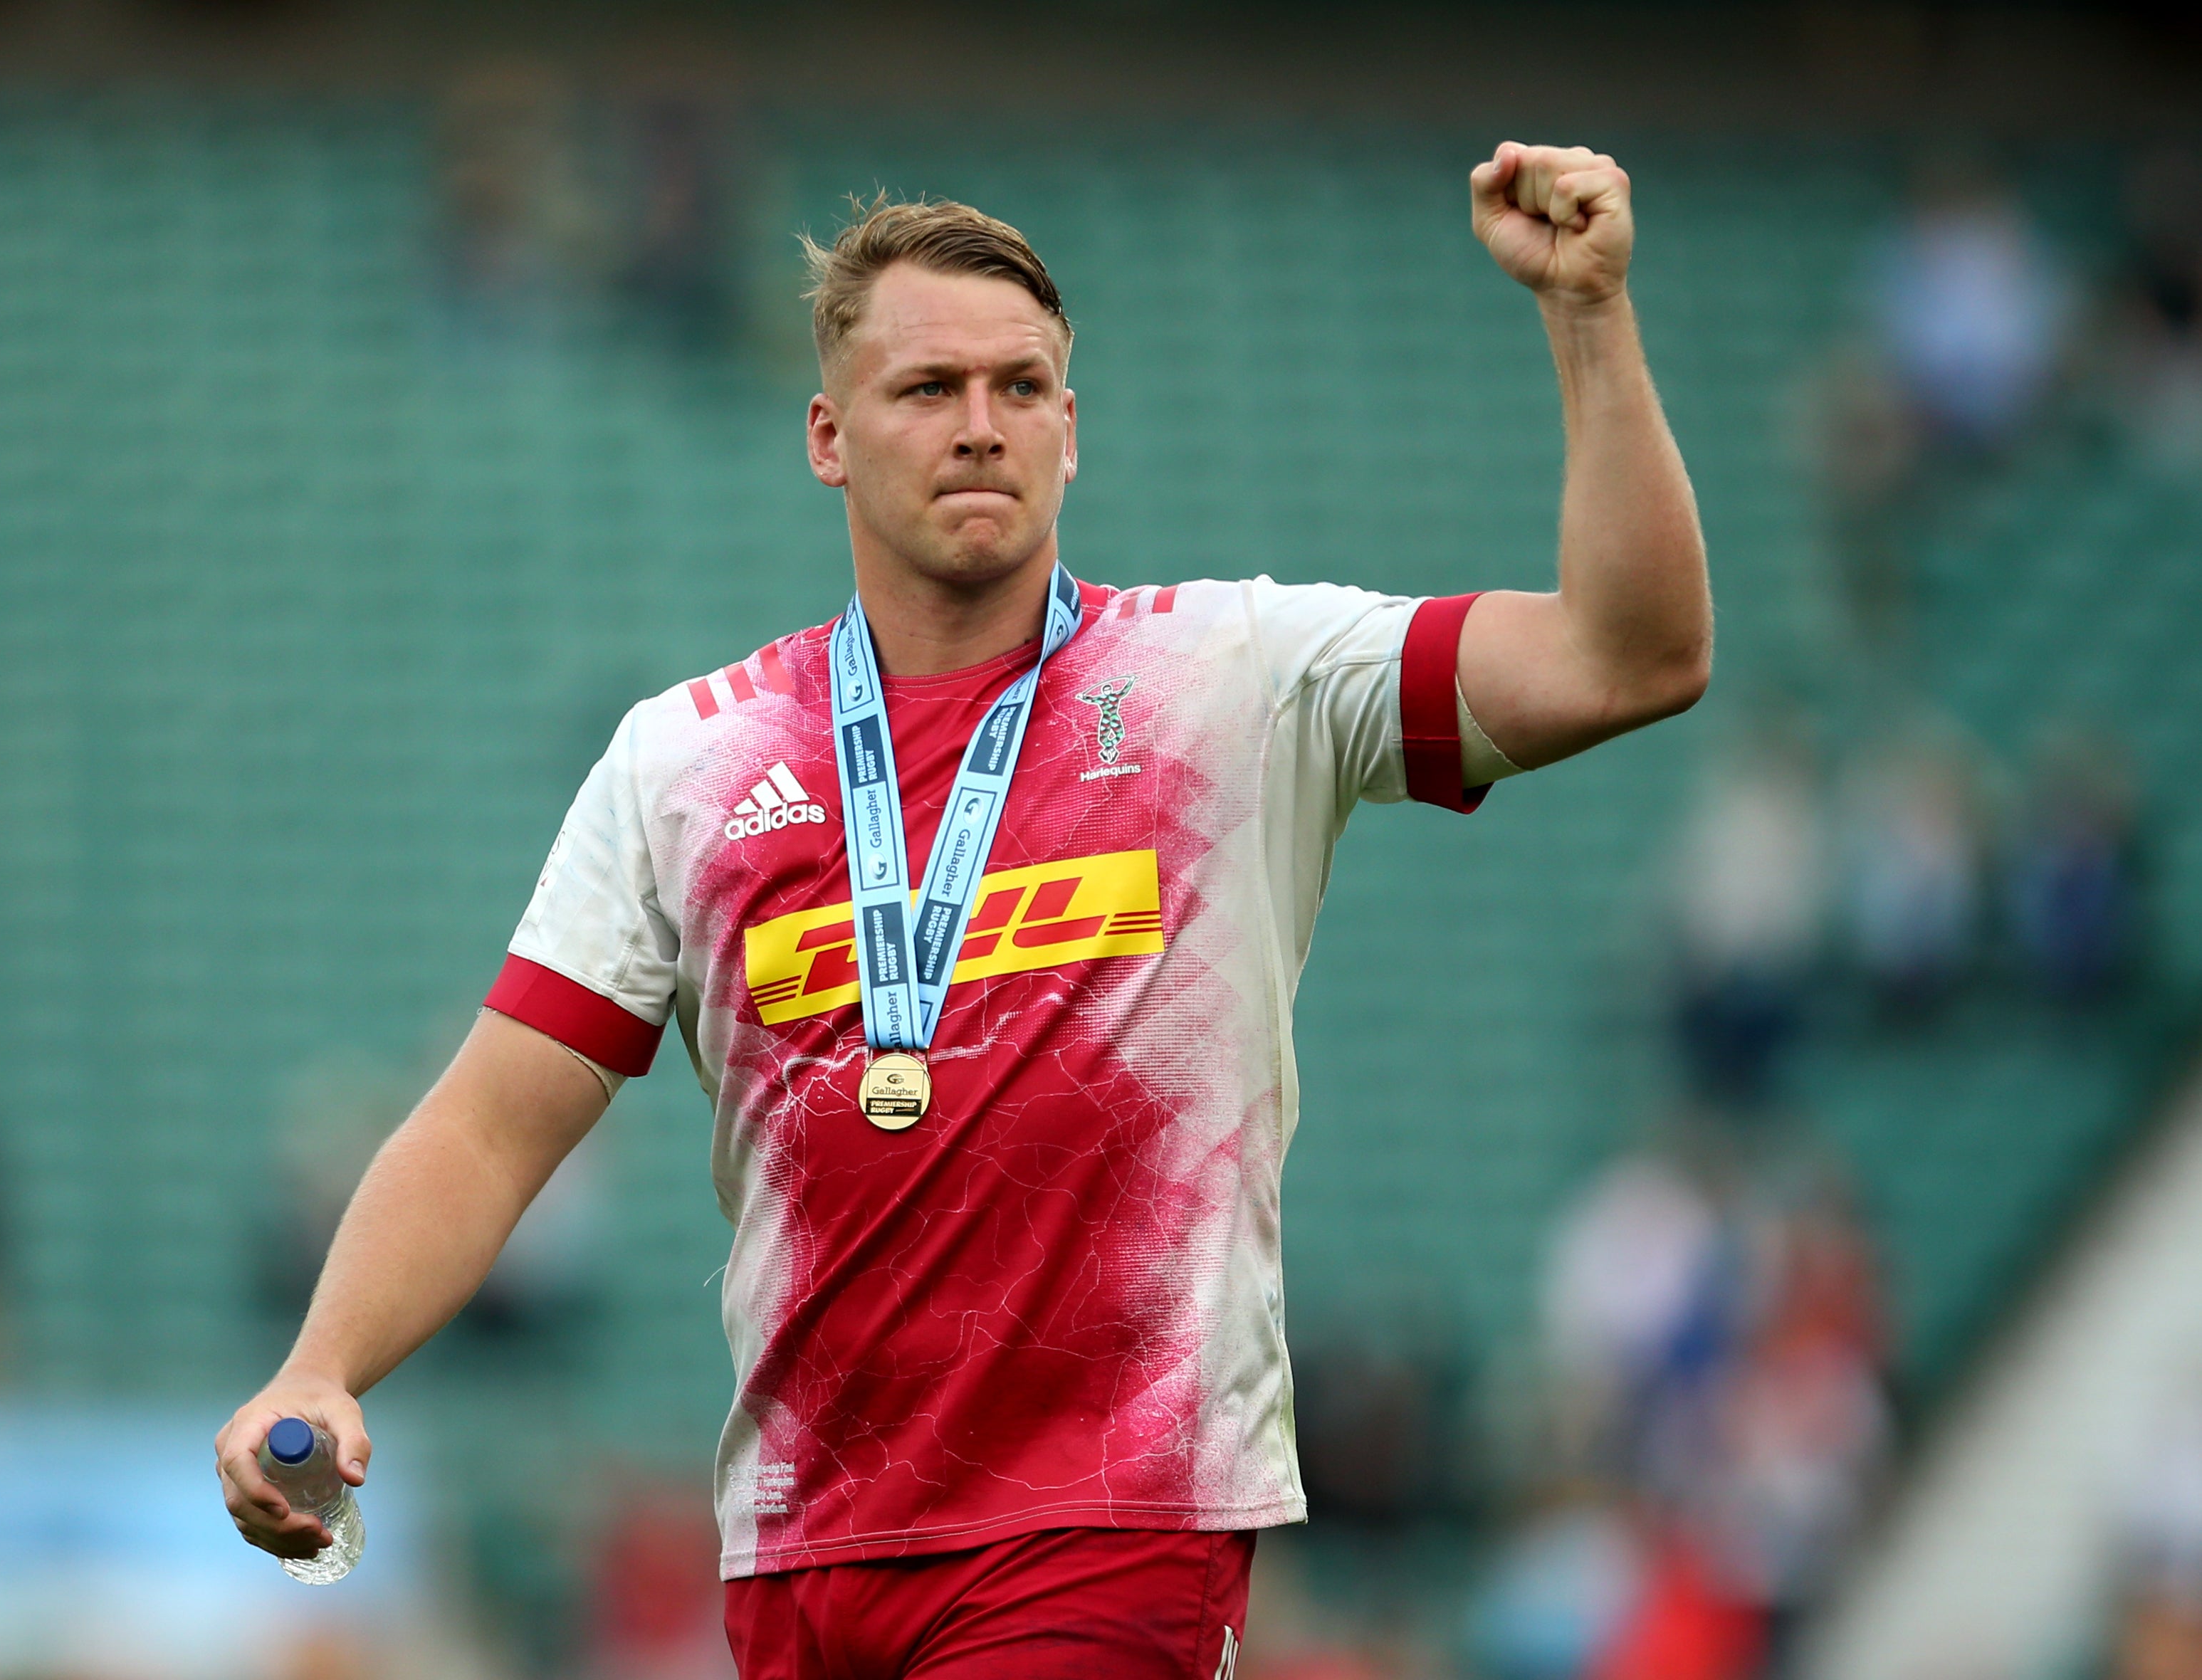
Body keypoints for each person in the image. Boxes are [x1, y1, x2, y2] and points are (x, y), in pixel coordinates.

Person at [216, 143, 1711, 1676]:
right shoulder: (694, 758)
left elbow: (1630, 656)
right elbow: (491, 1121)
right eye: (928, 389)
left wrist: (1588, 316)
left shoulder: (1236, 681)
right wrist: (328, 1364)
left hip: (1108, 1524)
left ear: (1074, 430)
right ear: (828, 435)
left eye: (1022, 388)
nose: (981, 426)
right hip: (807, 1544)